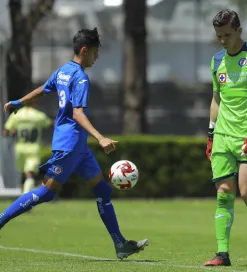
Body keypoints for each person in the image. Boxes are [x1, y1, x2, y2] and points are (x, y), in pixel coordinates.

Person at [1, 27, 149, 259]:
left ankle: (120, 244)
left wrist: (20, 102)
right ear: (84, 50)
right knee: (46, 192)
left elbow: (43, 89)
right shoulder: (80, 77)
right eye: (95, 53)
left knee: (102, 189)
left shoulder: (63, 71)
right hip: (69, 146)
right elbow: (78, 113)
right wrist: (100, 137)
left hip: (79, 148)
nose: (97, 57)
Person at [204, 9, 247, 267]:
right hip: (223, 134)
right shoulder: (216, 61)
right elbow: (215, 100)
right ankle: (222, 253)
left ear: (239, 31)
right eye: (219, 36)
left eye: (227, 35)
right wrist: (211, 134)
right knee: (223, 192)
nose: (223, 40)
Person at [3, 102, 52, 194]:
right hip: (33, 148)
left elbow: (5, 131)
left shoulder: (16, 115)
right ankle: (25, 197)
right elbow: (49, 124)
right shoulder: (38, 115)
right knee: (30, 174)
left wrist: (12, 133)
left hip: (19, 148)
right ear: (34, 103)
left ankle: (25, 193)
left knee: (23, 173)